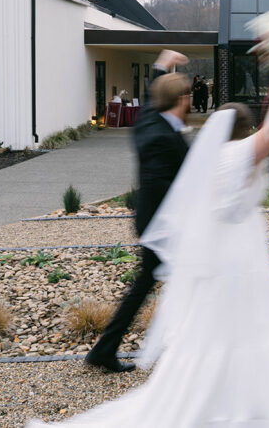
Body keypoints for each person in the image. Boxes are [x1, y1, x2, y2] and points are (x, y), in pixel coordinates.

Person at [29, 66, 269, 427]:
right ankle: (237, 402)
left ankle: (213, 393)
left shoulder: (210, 158)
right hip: (236, 260)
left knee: (215, 333)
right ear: (244, 131)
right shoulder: (237, 155)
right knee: (244, 328)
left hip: (217, 256)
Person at [83, 50, 190, 374]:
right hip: (161, 225)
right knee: (186, 280)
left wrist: (161, 66)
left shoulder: (150, 120)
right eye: (187, 95)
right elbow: (163, 185)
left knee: (145, 285)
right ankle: (192, 353)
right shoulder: (162, 137)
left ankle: (104, 349)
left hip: (152, 221)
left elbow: (151, 98)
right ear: (181, 100)